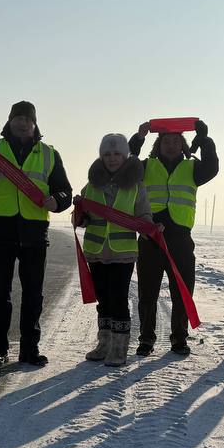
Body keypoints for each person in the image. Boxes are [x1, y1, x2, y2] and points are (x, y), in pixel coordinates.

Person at [0, 101, 72, 367]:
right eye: (17, 118)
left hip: (35, 234)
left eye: (27, 119)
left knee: (33, 294)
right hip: (1, 232)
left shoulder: (49, 154)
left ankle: (29, 350)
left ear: (34, 123)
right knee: (0, 294)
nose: (22, 123)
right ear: (9, 121)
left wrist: (56, 200)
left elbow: (65, 191)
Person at [127, 118, 219, 356]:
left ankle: (179, 338)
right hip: (150, 238)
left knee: (182, 290)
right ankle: (146, 339)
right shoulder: (146, 166)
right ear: (159, 144)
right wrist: (138, 139)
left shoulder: (193, 167)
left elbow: (212, 167)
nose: (170, 145)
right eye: (166, 141)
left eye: (175, 141)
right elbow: (127, 167)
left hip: (180, 238)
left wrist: (204, 139)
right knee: (148, 292)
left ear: (182, 144)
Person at [77, 134, 150, 367]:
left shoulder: (137, 186)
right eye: (107, 154)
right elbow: (83, 217)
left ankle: (119, 349)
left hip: (123, 252)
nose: (112, 158)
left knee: (118, 299)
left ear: (125, 155)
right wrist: (79, 214)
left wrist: (150, 227)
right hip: (96, 251)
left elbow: (144, 213)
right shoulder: (90, 185)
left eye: (117, 154)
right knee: (103, 299)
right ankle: (104, 344)